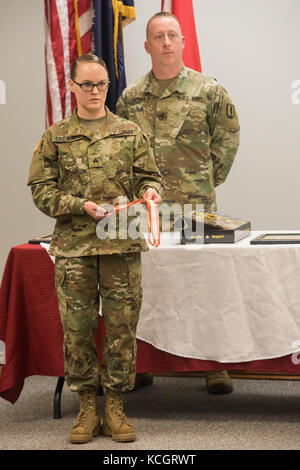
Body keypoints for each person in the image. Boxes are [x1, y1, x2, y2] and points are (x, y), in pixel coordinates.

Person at [28, 54, 163, 444]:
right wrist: (77, 206)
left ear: (109, 85)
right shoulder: (56, 136)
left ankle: (116, 405)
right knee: (78, 329)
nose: (94, 91)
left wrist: (151, 191)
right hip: (75, 248)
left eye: (101, 84)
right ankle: (87, 405)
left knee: (122, 328)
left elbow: (149, 177)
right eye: (86, 84)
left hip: (121, 245)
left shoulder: (129, 132)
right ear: (72, 86)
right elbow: (40, 189)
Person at [117, 11, 240, 395]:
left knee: (205, 289)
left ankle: (213, 366)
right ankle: (142, 364)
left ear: (183, 42)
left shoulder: (209, 91)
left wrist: (205, 179)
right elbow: (123, 152)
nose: (166, 42)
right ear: (147, 45)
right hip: (147, 212)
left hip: (196, 208)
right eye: (158, 36)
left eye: (172, 35)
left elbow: (228, 139)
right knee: (144, 290)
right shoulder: (131, 97)